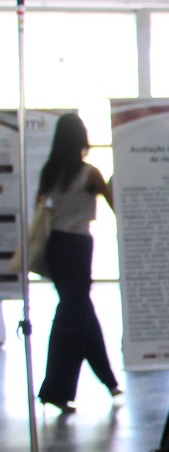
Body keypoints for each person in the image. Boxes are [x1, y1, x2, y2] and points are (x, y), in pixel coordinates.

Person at [36, 112, 120, 412]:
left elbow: (40, 210)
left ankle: (109, 381)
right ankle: (55, 390)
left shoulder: (50, 172)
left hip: (56, 246)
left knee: (80, 312)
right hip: (78, 247)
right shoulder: (90, 174)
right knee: (72, 317)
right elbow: (116, 205)